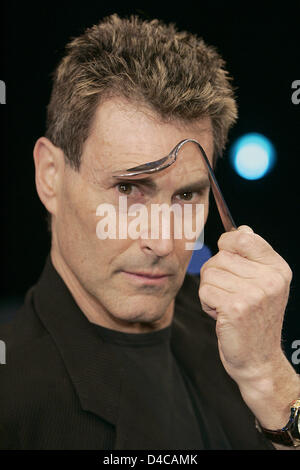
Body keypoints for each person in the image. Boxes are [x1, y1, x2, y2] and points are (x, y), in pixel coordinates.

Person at [0, 14, 299, 450]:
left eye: (187, 196)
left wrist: (270, 377)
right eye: (127, 189)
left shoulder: (239, 336)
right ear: (50, 176)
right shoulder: (16, 403)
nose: (163, 242)